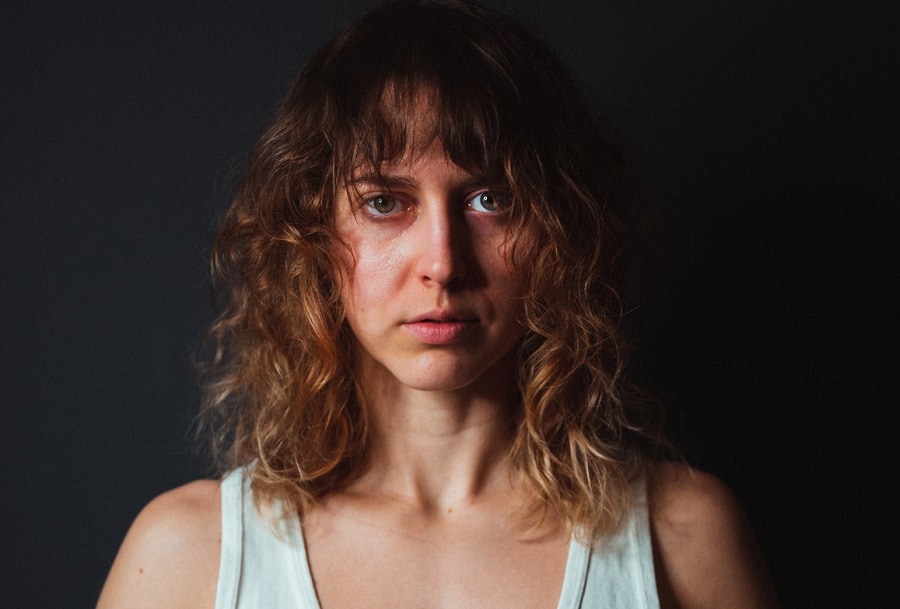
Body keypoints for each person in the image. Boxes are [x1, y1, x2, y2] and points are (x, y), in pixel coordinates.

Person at [97, 1, 778, 607]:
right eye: (385, 202)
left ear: (560, 229)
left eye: (492, 199)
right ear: (310, 233)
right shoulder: (191, 559)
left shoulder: (681, 538)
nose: (443, 263)